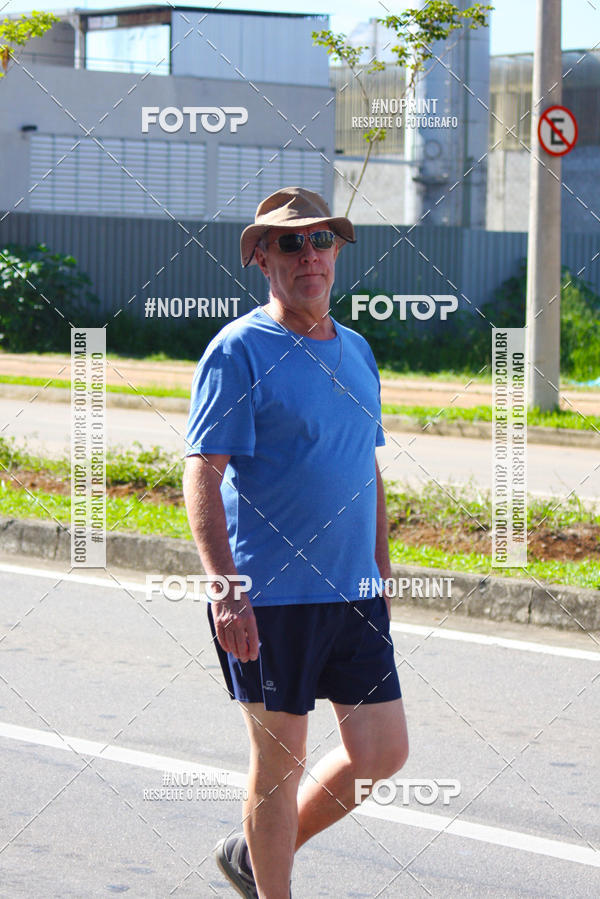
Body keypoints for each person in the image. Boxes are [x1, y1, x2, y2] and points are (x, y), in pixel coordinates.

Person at [183, 186, 409, 899]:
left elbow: (364, 465)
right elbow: (201, 471)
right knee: (280, 763)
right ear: (261, 257)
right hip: (270, 596)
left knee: (381, 753)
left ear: (337, 252)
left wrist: (382, 570)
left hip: (352, 593)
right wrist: (224, 589)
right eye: (289, 242)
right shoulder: (239, 350)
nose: (308, 254)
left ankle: (255, 856)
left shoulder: (359, 350)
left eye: (321, 239)